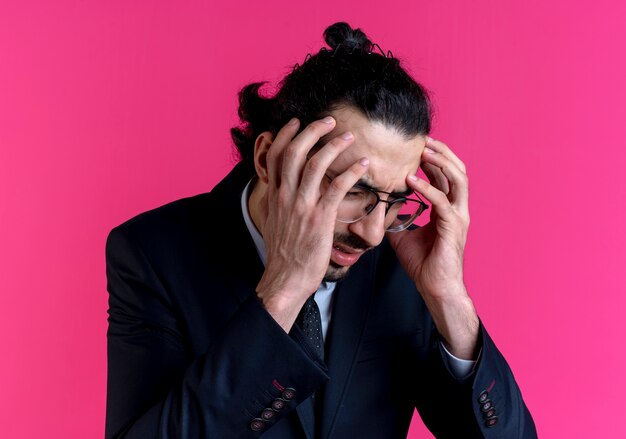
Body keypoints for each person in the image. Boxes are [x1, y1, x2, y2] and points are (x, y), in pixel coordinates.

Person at [105, 22, 537, 439]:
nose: (371, 233)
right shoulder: (151, 253)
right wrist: (282, 291)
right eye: (351, 190)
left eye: (394, 201)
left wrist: (450, 300)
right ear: (269, 158)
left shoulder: (405, 265)